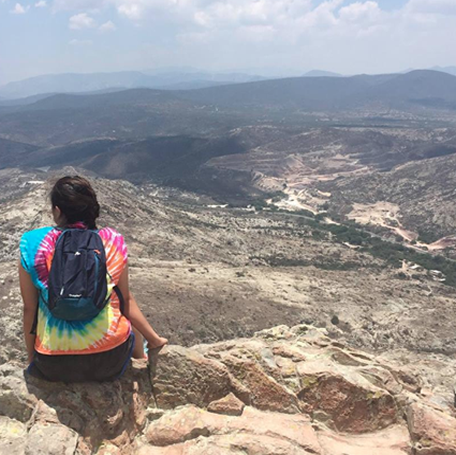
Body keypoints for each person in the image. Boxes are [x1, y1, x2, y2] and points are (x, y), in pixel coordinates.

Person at [19, 175, 168, 382]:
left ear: (58, 211)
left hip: (52, 364)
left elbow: (30, 309)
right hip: (110, 359)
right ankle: (140, 359)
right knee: (117, 300)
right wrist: (155, 340)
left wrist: (32, 359)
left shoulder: (32, 243)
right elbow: (127, 300)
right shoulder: (112, 240)